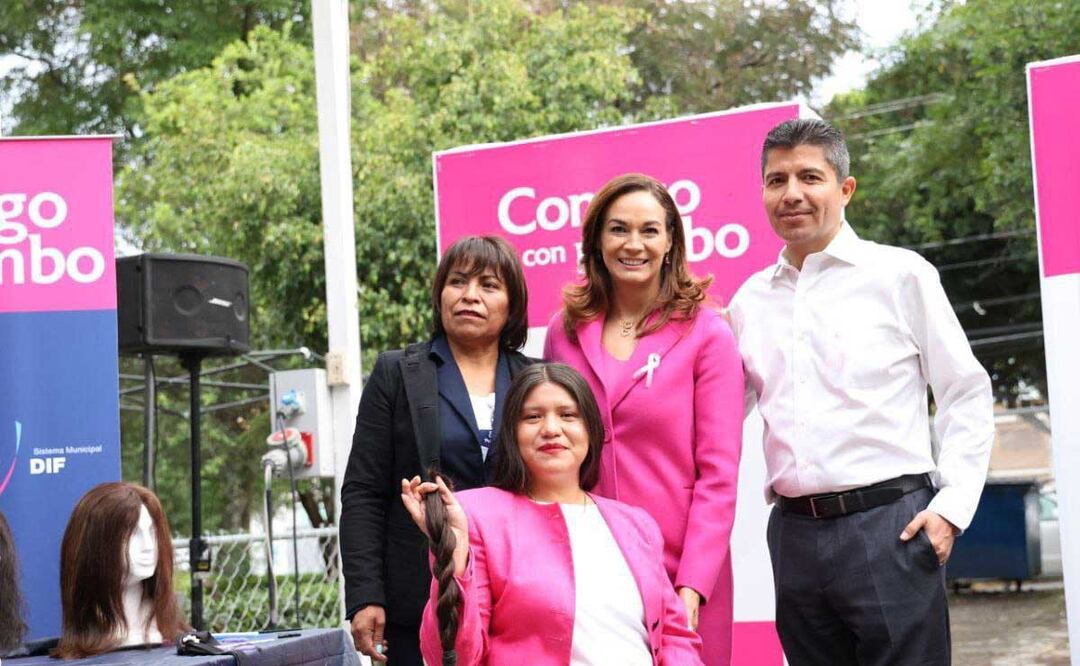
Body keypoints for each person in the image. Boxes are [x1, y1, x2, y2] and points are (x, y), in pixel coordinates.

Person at [728, 118, 994, 665]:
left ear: (845, 188)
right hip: (794, 537)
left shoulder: (900, 275)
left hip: (892, 527)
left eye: (809, 177)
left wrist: (952, 508)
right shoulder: (749, 302)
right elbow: (719, 413)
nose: (792, 194)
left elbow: (964, 392)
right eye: (777, 181)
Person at [544, 173, 743, 664]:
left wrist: (694, 584)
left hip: (679, 569)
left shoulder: (708, 335)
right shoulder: (563, 332)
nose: (634, 244)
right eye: (618, 229)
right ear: (595, 240)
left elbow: (719, 475)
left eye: (650, 230)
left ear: (671, 240)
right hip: (584, 566)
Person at [402, 363, 704, 665]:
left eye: (568, 415)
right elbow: (450, 657)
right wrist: (453, 563)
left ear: (591, 430)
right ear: (512, 434)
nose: (550, 429)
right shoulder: (475, 516)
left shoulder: (636, 524)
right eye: (533, 417)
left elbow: (675, 638)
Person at [341, 235, 534, 664]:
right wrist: (365, 595)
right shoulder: (397, 373)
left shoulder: (535, 381)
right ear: (440, 294)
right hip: (418, 603)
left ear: (512, 302)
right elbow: (364, 492)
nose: (470, 296)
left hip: (518, 600)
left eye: (488, 285)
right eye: (458, 281)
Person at [53, 482, 183, 659]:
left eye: (152, 533)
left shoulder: (165, 628)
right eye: (133, 534)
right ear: (97, 544)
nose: (148, 546)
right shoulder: (95, 633)